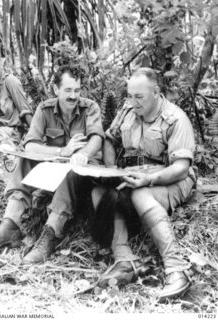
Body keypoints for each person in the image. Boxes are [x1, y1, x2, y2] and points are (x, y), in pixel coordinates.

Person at [92, 67, 196, 300]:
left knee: (140, 194)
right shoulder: (128, 110)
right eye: (129, 95)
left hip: (169, 178)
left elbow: (181, 167)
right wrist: (111, 171)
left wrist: (149, 179)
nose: (132, 101)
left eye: (139, 97)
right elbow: (110, 139)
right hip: (135, 175)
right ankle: (125, 259)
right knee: (100, 192)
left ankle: (176, 270)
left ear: (157, 92)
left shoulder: (175, 118)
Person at [0, 64, 104, 264]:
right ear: (56, 89)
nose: (73, 96)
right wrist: (62, 151)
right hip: (55, 169)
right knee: (24, 159)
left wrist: (83, 154)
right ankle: (10, 225)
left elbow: (97, 139)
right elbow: (30, 145)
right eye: (68, 90)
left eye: (77, 90)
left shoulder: (89, 107)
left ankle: (50, 235)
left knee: (71, 171)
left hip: (82, 176)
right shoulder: (45, 109)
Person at [0, 51, 33, 148]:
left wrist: (35, 136)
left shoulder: (10, 81)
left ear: (0, 64)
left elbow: (25, 110)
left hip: (11, 133)